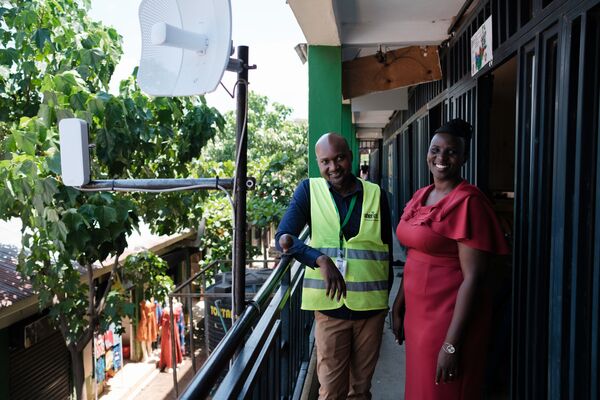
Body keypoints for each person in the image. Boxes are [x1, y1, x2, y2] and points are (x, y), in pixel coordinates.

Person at [392, 118, 510, 400]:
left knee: (445, 392)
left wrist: (451, 345)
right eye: (435, 149)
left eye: (451, 151)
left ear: (464, 157)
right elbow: (413, 257)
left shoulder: (469, 202)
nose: (441, 157)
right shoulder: (422, 195)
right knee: (421, 391)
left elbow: (474, 278)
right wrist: (398, 305)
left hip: (449, 322)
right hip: (418, 317)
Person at [276, 132, 392, 400]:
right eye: (325, 161)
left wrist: (385, 303)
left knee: (361, 390)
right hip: (330, 309)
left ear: (351, 156)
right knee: (330, 391)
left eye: (339, 158)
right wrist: (320, 259)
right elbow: (283, 238)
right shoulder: (309, 190)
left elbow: (385, 251)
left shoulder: (376, 195)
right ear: (318, 163)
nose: (333, 167)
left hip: (371, 310)